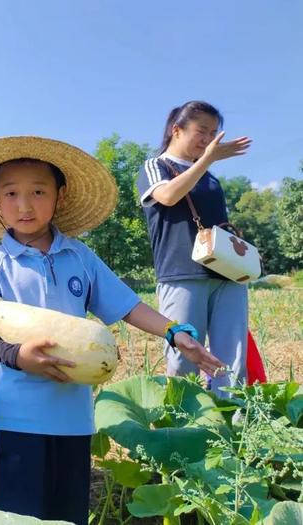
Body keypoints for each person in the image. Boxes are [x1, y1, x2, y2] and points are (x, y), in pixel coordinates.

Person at [0, 136, 226, 525]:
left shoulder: (80, 257)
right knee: (3, 516)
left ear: (60, 194)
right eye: (11, 194)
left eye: (38, 192)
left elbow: (128, 306)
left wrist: (175, 332)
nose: (25, 205)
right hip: (14, 418)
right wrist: (17, 357)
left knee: (65, 514)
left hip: (73, 420)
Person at [136, 100, 252, 395]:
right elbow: (169, 196)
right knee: (183, 357)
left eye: (213, 132)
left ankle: (233, 429)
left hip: (227, 275)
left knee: (232, 361)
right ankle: (183, 428)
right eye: (202, 130)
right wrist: (207, 161)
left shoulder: (210, 175)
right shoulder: (156, 166)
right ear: (177, 130)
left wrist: (206, 163)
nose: (208, 139)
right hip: (182, 274)